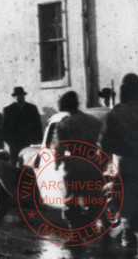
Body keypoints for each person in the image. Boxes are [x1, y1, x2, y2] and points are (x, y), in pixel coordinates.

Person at [52, 91, 103, 232]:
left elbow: (60, 146)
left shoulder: (64, 124)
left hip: (74, 166)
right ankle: (94, 228)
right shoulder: (94, 121)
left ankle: (75, 232)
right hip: (92, 164)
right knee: (93, 199)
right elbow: (101, 142)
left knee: (72, 201)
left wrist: (57, 162)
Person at [100, 73, 138, 249]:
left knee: (125, 205)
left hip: (125, 166)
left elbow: (105, 143)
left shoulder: (116, 113)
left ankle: (128, 237)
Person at [2, 86, 42, 163]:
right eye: (16, 95)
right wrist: (10, 142)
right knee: (15, 163)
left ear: (23, 96)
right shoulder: (8, 110)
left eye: (20, 95)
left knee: (30, 163)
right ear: (14, 97)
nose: (19, 97)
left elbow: (38, 125)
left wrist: (37, 140)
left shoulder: (32, 108)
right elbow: (4, 129)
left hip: (29, 142)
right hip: (15, 144)